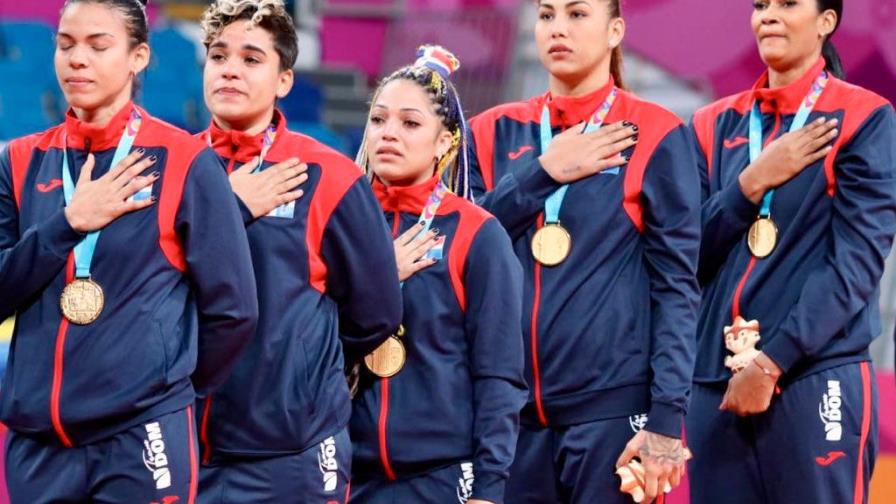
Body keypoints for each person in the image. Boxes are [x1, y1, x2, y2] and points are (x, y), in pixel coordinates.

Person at [0, 0, 258, 502]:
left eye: (98, 46)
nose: (77, 59)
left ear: (138, 57)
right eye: (65, 44)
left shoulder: (184, 161)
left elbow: (234, 310)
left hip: (141, 436)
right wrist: (67, 225)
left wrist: (164, 390)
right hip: (37, 444)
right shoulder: (17, 161)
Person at [466, 1, 701, 502]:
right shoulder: (490, 131)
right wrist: (542, 172)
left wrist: (666, 417)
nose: (558, 29)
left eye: (577, 14)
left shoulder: (654, 134)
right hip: (509, 419)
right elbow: (462, 249)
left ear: (615, 30)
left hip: (610, 417)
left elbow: (678, 286)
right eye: (547, 15)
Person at [687, 1, 896, 503]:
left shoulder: (864, 117)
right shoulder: (711, 124)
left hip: (814, 376)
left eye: (787, 5)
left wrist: (772, 363)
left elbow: (856, 265)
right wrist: (750, 184)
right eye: (760, 6)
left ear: (827, 22)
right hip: (716, 383)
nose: (768, 17)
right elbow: (686, 257)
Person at [194, 1, 403, 502]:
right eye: (219, 55)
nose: (230, 69)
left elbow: (375, 311)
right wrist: (231, 208)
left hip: (291, 452)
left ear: (284, 80)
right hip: (182, 444)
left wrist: (301, 371)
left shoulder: (328, 175)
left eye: (251, 58)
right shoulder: (172, 169)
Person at [349, 45, 527, 504]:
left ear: (445, 141)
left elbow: (499, 374)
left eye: (409, 123)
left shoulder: (477, 234)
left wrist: (489, 487)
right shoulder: (337, 223)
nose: (388, 134)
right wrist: (377, 280)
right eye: (378, 119)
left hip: (442, 478)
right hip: (344, 472)